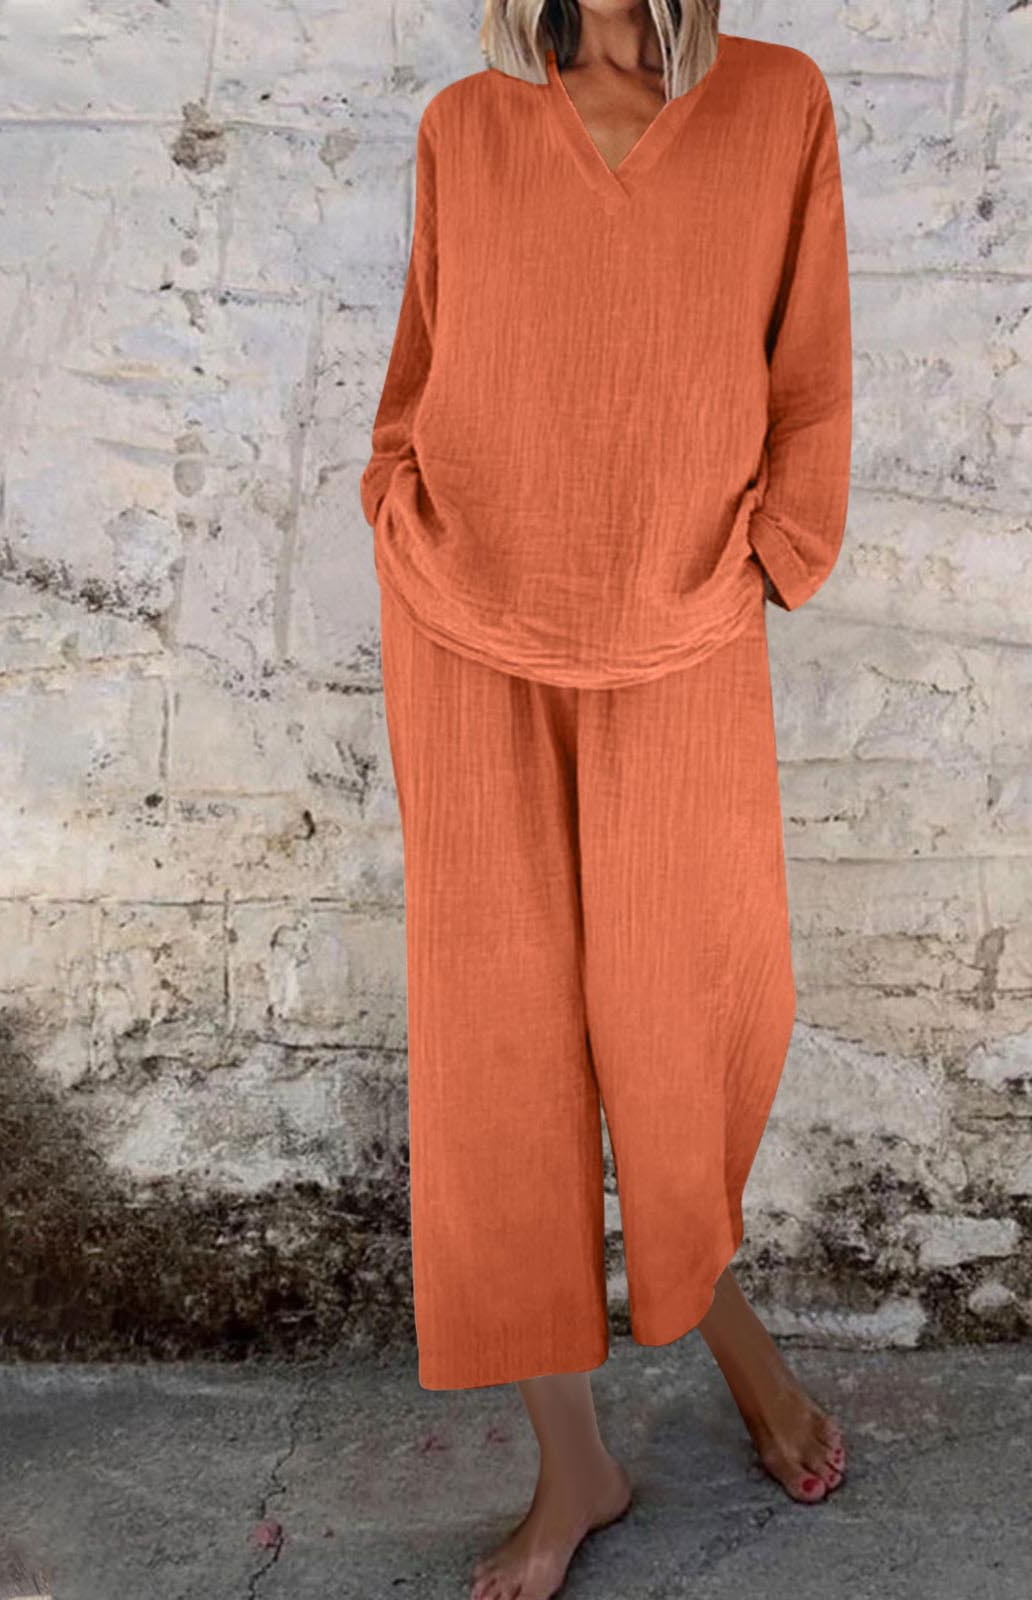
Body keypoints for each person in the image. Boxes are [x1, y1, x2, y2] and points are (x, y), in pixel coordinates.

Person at [361, 2, 853, 1595]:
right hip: (466, 626)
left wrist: (770, 559)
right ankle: (575, 1465)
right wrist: (397, 499)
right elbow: (423, 366)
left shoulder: (777, 105)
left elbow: (808, 368)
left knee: (682, 1016)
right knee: (501, 1048)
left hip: (682, 631)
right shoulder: (467, 125)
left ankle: (732, 1335)